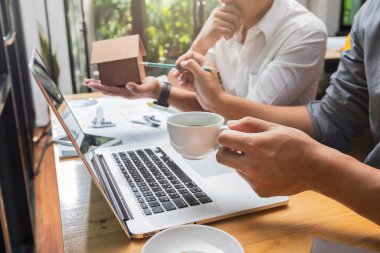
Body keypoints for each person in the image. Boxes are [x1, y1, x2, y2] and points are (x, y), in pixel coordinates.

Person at [175, 0, 380, 225]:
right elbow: (335, 118)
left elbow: (236, 109)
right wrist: (197, 49)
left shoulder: (303, 29)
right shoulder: (369, 13)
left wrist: (314, 169)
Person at [85, 0, 327, 114]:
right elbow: (183, 84)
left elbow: (250, 117)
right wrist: (200, 45)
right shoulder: (227, 17)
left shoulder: (305, 32)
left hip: (277, 170)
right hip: (220, 146)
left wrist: (162, 90)